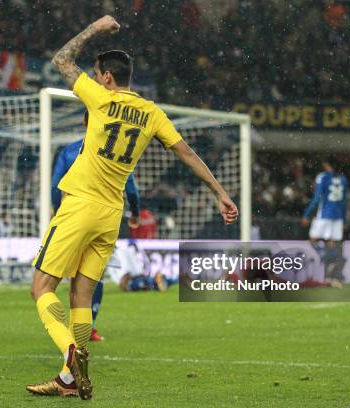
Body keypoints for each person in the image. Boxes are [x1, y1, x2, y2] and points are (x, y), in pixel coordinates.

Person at [26, 15, 238, 400]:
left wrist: (94, 28)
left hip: (80, 205)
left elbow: (61, 59)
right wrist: (219, 192)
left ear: (106, 77)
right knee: (81, 297)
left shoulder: (100, 99)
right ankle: (69, 380)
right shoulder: (151, 112)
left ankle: (70, 352)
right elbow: (186, 153)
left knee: (41, 288)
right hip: (111, 214)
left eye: (96, 74)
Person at [52, 134, 141, 342]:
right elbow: (131, 189)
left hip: (72, 216)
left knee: (47, 282)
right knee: (92, 275)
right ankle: (87, 327)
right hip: (105, 217)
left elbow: (56, 184)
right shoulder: (118, 151)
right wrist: (135, 212)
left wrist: (58, 212)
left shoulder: (69, 151)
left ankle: (63, 332)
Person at [301, 160, 348, 283]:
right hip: (337, 216)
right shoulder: (343, 179)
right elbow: (344, 202)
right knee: (331, 243)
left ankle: (327, 257)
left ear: (327, 165)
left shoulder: (323, 177)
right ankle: (330, 275)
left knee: (312, 239)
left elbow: (317, 198)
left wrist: (307, 214)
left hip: (325, 214)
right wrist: (343, 220)